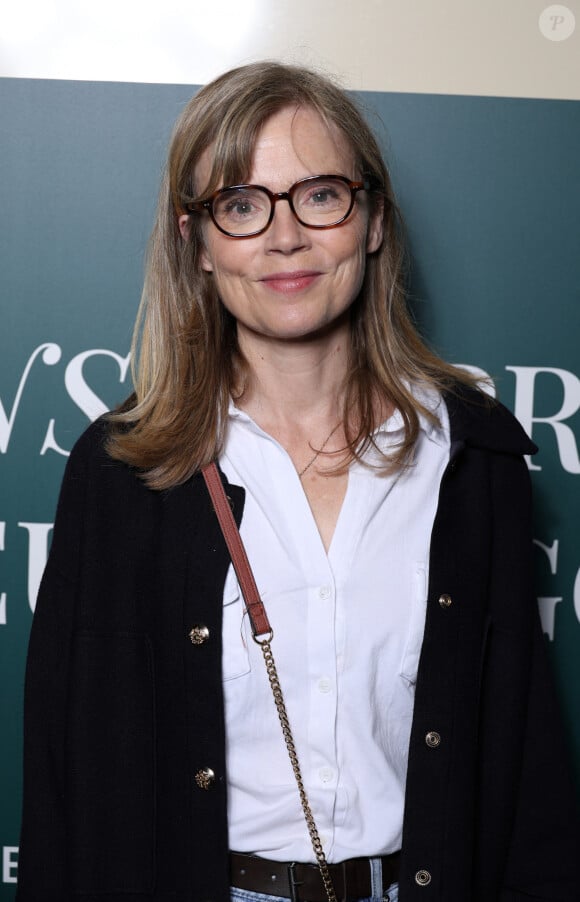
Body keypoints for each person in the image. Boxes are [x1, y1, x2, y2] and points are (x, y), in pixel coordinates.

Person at [16, 61, 579, 902]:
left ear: (374, 220)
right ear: (196, 244)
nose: (285, 238)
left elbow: (524, 771)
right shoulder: (121, 471)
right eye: (241, 206)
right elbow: (69, 781)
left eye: (319, 195)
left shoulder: (470, 460)